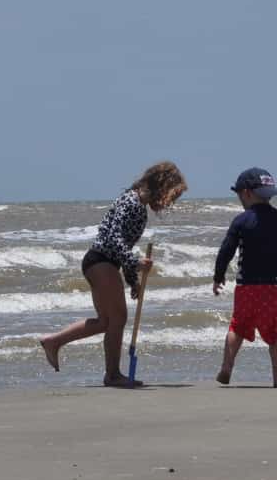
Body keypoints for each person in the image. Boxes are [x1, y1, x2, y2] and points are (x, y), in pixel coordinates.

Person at [39, 161, 187, 387]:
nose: (168, 204)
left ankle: (54, 341)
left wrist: (132, 279)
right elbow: (115, 239)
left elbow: (122, 245)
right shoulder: (132, 202)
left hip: (102, 262)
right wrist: (135, 263)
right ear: (161, 185)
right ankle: (113, 375)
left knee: (105, 322)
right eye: (170, 196)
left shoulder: (137, 204)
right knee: (118, 319)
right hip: (101, 261)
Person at [213, 167, 277, 388]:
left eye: (239, 195)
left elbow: (226, 250)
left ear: (248, 193)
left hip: (246, 289)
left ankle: (227, 367)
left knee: (237, 327)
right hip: (275, 290)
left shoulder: (241, 221)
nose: (240, 200)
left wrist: (218, 276)